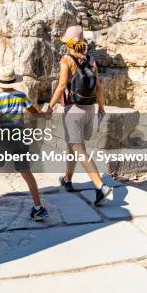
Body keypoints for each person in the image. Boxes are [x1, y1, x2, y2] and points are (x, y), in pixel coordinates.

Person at [43, 25, 112, 206]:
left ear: (70, 44)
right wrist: (102, 108)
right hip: (90, 108)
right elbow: (98, 87)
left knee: (79, 150)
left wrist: (49, 107)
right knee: (72, 145)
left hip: (73, 110)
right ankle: (67, 178)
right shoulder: (91, 60)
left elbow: (61, 85)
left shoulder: (67, 60)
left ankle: (100, 186)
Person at [0, 66, 49, 221]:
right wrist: (45, 114)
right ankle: (38, 207)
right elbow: (34, 112)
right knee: (26, 171)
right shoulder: (22, 96)